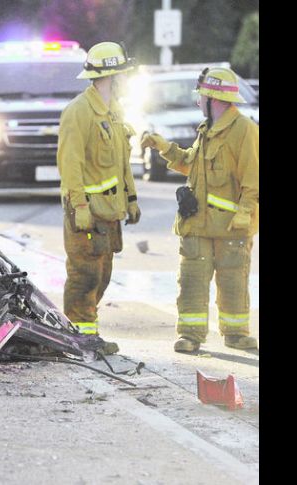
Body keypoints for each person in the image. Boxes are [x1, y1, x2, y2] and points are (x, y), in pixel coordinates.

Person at [141, 67, 259, 352]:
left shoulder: (245, 131)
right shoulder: (206, 131)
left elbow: (253, 176)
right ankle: (190, 335)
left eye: (202, 96)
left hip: (231, 226)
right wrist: (163, 147)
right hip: (197, 223)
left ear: (214, 98)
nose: (197, 101)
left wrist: (246, 210)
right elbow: (191, 165)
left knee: (232, 280)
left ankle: (235, 333)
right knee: (191, 279)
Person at [56, 41, 141, 355]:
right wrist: (79, 205)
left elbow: (122, 162)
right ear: (111, 77)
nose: (126, 81)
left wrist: (131, 199)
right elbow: (71, 164)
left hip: (109, 214)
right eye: (123, 75)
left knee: (103, 276)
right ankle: (79, 338)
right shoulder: (78, 112)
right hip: (87, 214)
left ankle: (84, 334)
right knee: (85, 276)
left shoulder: (113, 113)